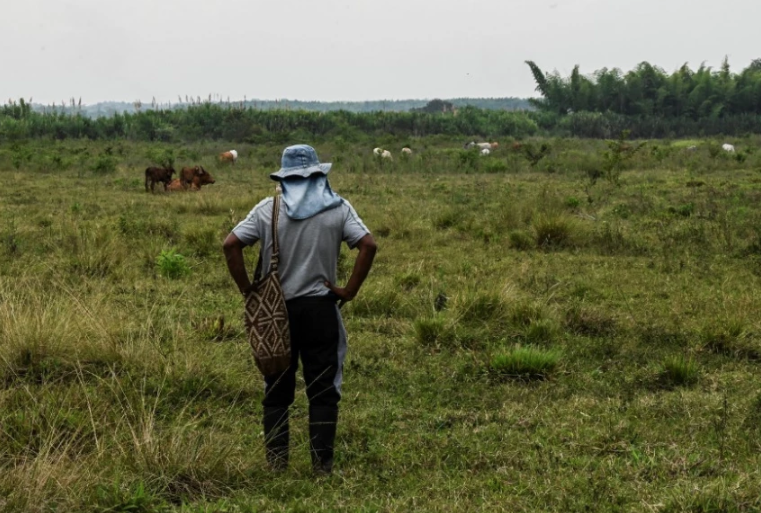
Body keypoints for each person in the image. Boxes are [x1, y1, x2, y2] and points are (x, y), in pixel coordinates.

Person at [223, 144, 377, 475]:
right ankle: (322, 466)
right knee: (323, 389)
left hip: (277, 313)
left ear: (283, 178)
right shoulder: (339, 208)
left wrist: (248, 290)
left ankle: (277, 465)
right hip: (322, 309)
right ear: (320, 174)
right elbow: (368, 244)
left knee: (276, 389)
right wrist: (348, 290)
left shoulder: (268, 209)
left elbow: (231, 244)